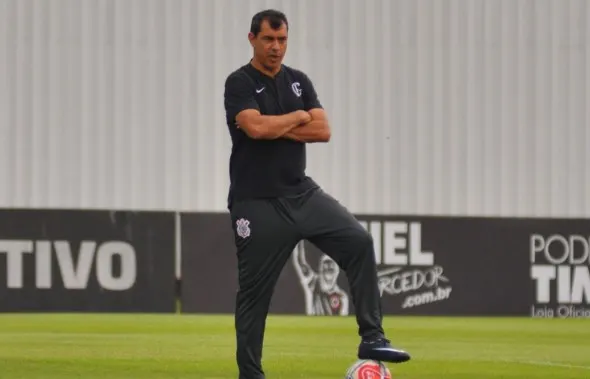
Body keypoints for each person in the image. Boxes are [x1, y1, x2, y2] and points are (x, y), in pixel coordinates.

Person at [223, 9, 411, 379]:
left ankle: (372, 337)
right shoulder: (239, 82)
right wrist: (297, 118)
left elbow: (323, 130)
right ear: (252, 39)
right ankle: (250, 374)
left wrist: (280, 123)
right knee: (254, 295)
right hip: (256, 201)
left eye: (282, 40)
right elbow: (255, 128)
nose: (276, 47)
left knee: (359, 241)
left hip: (302, 193)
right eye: (268, 40)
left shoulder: (298, 81)